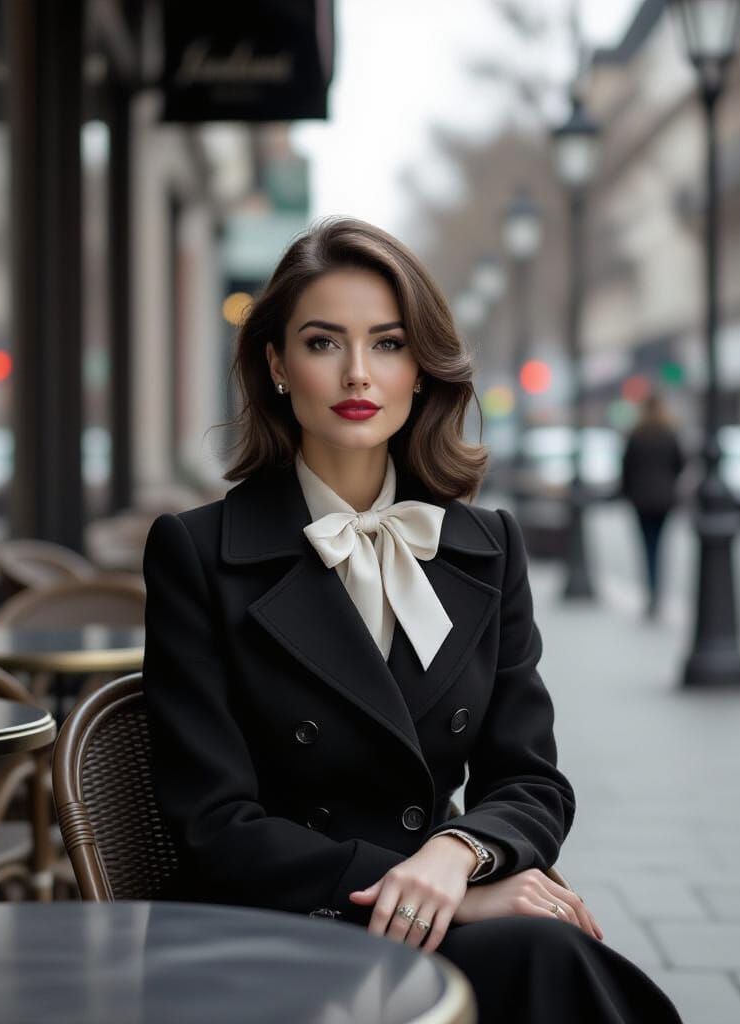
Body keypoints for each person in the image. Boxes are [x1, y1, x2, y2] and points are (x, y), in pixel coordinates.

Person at [142, 217, 682, 1023]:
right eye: (324, 343)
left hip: (433, 904)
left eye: (388, 344)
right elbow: (217, 827)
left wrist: (459, 854)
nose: (358, 373)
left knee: (552, 951)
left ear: (422, 371)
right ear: (278, 367)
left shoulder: (486, 547)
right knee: (550, 957)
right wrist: (440, 896)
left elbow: (529, 778)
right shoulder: (196, 551)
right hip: (273, 924)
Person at [620, 395, 686, 618]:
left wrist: (626, 492)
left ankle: (651, 594)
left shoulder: (636, 435)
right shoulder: (669, 433)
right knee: (660, 546)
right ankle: (658, 593)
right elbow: (680, 464)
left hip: (641, 500)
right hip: (664, 500)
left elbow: (626, 468)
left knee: (647, 547)